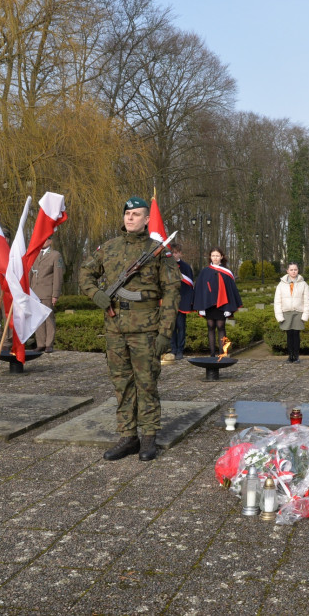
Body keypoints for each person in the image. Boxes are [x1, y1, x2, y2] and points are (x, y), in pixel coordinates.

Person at [79, 196, 179, 462]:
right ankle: (127, 435)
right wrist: (96, 295)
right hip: (115, 329)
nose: (130, 218)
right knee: (121, 383)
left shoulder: (158, 251)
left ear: (147, 219)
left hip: (146, 329)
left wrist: (164, 333)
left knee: (146, 384)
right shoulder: (108, 248)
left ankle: (148, 436)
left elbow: (171, 293)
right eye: (127, 213)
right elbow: (84, 274)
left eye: (136, 214)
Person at [193, 247, 242, 357]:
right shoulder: (204, 271)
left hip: (223, 304)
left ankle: (222, 353)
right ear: (210, 257)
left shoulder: (227, 272)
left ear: (221, 257)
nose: (215, 258)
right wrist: (201, 307)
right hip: (208, 305)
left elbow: (230, 291)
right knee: (210, 326)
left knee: (221, 326)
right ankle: (212, 354)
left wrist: (229, 308)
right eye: (213, 255)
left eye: (217, 255)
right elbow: (200, 290)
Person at [30, 234, 64, 353]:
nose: (44, 241)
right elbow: (31, 274)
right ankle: (40, 343)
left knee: (49, 318)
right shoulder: (35, 255)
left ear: (50, 241)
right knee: (38, 318)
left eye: (47, 238)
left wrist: (55, 294)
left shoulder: (55, 255)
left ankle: (49, 344)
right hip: (35, 292)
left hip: (48, 292)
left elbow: (58, 276)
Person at [274, 262, 309, 362]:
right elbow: (277, 301)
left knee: (296, 334)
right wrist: (279, 316)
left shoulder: (303, 284)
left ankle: (296, 356)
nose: (293, 271)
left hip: (298, 312)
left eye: (295, 269)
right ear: (287, 271)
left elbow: (307, 301)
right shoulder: (281, 285)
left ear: (298, 270)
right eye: (291, 270)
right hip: (286, 313)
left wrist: (305, 316)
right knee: (289, 334)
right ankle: (290, 355)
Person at [168, 243, 195, 360]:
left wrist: (188, 301)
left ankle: (180, 350)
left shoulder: (185, 267)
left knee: (181, 327)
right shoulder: (166, 266)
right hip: (170, 301)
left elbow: (190, 285)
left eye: (176, 252)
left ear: (180, 253)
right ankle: (173, 349)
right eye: (172, 252)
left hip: (182, 300)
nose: (174, 254)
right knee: (171, 327)